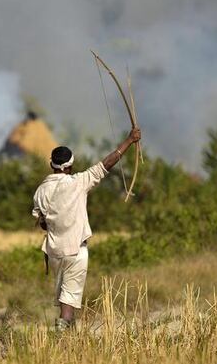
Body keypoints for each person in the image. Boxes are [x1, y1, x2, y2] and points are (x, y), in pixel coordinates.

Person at [32, 127, 141, 331]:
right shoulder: (79, 182)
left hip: (54, 252)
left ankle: (67, 333)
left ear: (51, 165)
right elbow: (106, 164)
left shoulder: (40, 191)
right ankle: (63, 329)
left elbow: (42, 222)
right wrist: (129, 140)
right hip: (76, 250)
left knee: (66, 296)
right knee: (69, 299)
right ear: (70, 166)